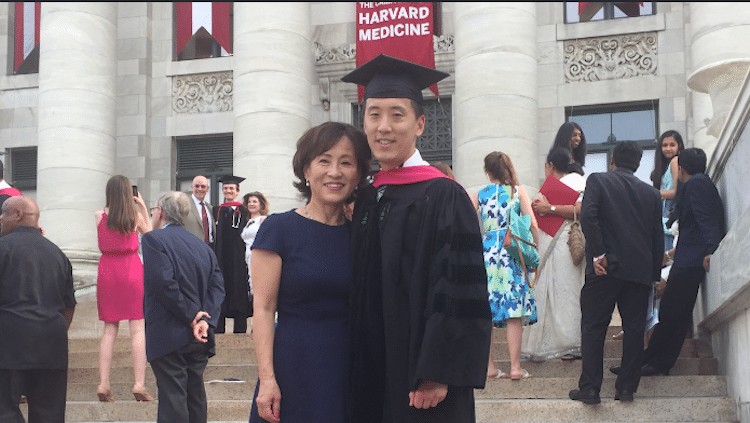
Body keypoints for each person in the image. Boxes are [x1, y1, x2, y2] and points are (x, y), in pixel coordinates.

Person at [343, 54, 492, 423]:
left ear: (420, 124)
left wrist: (437, 370)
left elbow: (458, 288)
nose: (383, 127)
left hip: (421, 373)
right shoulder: (366, 196)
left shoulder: (444, 195)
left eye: (397, 114)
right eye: (374, 114)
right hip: (371, 364)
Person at [249, 122, 371, 423]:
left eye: (346, 162)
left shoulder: (363, 234)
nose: (335, 172)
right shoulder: (278, 229)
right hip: (294, 365)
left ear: (358, 173)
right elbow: (263, 309)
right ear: (306, 169)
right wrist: (267, 379)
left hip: (350, 366)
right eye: (324, 160)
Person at [614, 148, 724, 378]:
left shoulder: (696, 184)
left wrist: (712, 250)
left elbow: (708, 219)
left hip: (691, 262)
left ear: (681, 169)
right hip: (686, 258)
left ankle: (657, 363)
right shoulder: (701, 183)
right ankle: (646, 360)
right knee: (671, 313)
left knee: (675, 314)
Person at [569, 141, 663, 405]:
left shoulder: (598, 181)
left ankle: (590, 388)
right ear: (637, 163)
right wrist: (654, 276)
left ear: (613, 161)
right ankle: (626, 389)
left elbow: (589, 216)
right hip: (639, 273)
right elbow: (657, 238)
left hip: (604, 268)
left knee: (593, 326)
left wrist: (598, 253)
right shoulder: (651, 194)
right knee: (634, 330)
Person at [142, 192, 225, 423]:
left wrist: (191, 317)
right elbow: (217, 289)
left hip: (169, 332)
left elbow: (163, 283)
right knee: (195, 397)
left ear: (161, 212)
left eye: (153, 209)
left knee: (173, 401)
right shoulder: (204, 247)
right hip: (200, 337)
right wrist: (204, 321)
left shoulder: (153, 239)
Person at [0, 197, 75, 423]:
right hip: (52, 344)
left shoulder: (3, 248)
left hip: (8, 344)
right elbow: (69, 305)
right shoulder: (58, 254)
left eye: (3, 213)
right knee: (49, 413)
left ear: (18, 215)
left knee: (3, 409)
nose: (1, 219)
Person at [471, 152, 540, 380]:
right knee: (513, 312)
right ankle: (515, 367)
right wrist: (533, 252)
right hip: (512, 251)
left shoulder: (480, 194)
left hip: (487, 252)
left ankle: (489, 368)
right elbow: (533, 225)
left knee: (485, 311)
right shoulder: (517, 191)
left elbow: (465, 222)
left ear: (488, 172)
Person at [522, 147, 586, 362]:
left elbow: (581, 208)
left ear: (550, 165)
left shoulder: (577, 181)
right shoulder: (551, 187)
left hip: (567, 243)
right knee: (549, 292)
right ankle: (545, 345)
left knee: (567, 291)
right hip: (549, 244)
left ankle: (571, 343)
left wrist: (549, 208)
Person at [95, 175, 153, 402]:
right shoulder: (134, 216)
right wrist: (143, 208)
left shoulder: (99, 215)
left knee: (109, 329)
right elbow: (151, 236)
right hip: (131, 269)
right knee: (137, 328)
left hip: (107, 270)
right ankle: (139, 383)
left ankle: (103, 383)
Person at [213, 175, 250, 333]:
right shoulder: (216, 210)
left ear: (237, 191)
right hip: (220, 258)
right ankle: (218, 333)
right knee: (220, 290)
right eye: (226, 188)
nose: (228, 191)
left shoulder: (244, 210)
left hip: (238, 259)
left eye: (231, 189)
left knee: (239, 290)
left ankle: (240, 332)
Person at [240, 191, 269, 298]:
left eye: (255, 202)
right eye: (249, 202)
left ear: (261, 204)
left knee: (260, 284)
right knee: (252, 284)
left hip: (259, 256)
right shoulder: (247, 222)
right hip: (248, 257)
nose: (251, 204)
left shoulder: (262, 219)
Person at [185, 175, 215, 246]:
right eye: (197, 186)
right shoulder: (184, 205)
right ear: (192, 187)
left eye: (203, 186)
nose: (200, 189)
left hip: (210, 248)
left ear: (207, 189)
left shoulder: (210, 208)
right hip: (192, 247)